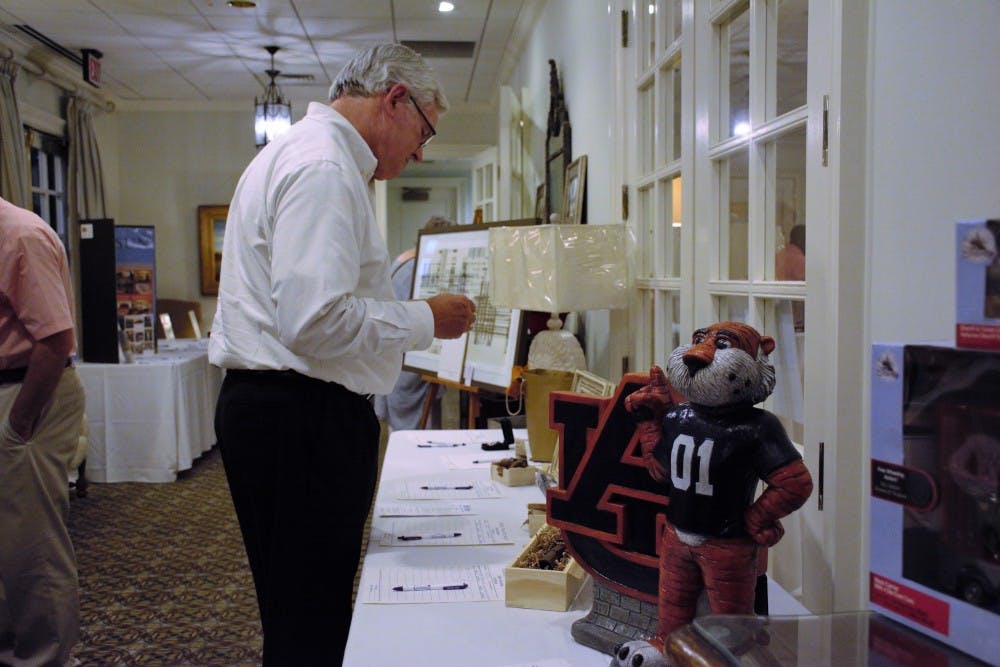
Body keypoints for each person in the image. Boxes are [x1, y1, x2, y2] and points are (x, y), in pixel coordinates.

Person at [208, 43, 476, 665]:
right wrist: (424, 318)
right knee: (310, 615)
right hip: (299, 413)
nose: (420, 151)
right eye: (424, 132)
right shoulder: (324, 167)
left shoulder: (304, 153)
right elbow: (314, 320)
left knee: (299, 607)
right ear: (394, 99)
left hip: (284, 409)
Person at [0, 196, 86, 667]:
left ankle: (44, 658)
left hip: (26, 393)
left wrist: (18, 426)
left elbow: (55, 342)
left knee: (30, 544)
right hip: (13, 390)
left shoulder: (18, 235)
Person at [374, 215, 454, 431]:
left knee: (399, 435)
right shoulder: (419, 269)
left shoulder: (402, 260)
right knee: (416, 437)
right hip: (411, 366)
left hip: (395, 361)